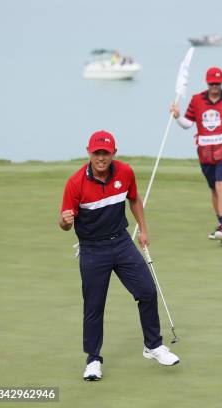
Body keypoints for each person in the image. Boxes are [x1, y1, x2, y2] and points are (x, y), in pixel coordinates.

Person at [59, 130, 179, 381]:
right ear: (88, 153)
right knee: (94, 307)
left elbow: (134, 200)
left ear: (114, 152)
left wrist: (143, 230)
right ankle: (93, 359)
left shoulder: (125, 172)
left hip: (122, 242)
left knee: (146, 290)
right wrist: (64, 221)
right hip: (92, 249)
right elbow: (65, 223)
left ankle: (153, 346)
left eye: (105, 153)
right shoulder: (75, 183)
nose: (101, 157)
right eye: (96, 153)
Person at [171, 67, 222, 244]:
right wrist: (177, 117)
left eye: (218, 83)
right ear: (207, 83)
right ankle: (221, 224)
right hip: (205, 152)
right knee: (213, 189)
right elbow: (187, 124)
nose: (215, 86)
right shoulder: (196, 100)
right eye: (212, 83)